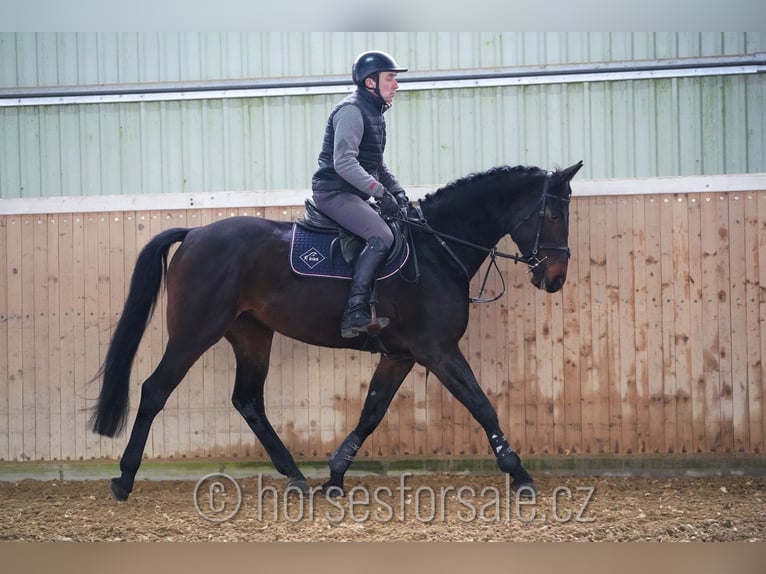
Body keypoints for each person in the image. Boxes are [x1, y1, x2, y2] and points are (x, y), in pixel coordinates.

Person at [312, 50, 410, 338]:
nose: (396, 84)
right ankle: (354, 312)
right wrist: (380, 193)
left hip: (354, 193)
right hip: (334, 191)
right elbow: (344, 163)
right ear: (370, 82)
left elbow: (375, 163)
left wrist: (397, 191)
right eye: (390, 78)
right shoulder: (352, 111)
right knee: (382, 236)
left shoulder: (375, 113)